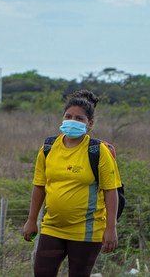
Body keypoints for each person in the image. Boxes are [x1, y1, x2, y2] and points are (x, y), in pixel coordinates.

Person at [22, 90, 122, 277]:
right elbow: (39, 186)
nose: (72, 121)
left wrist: (111, 229)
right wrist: (31, 220)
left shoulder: (98, 151)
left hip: (87, 231)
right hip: (52, 227)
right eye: (68, 116)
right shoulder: (48, 148)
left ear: (89, 124)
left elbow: (111, 191)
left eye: (79, 118)